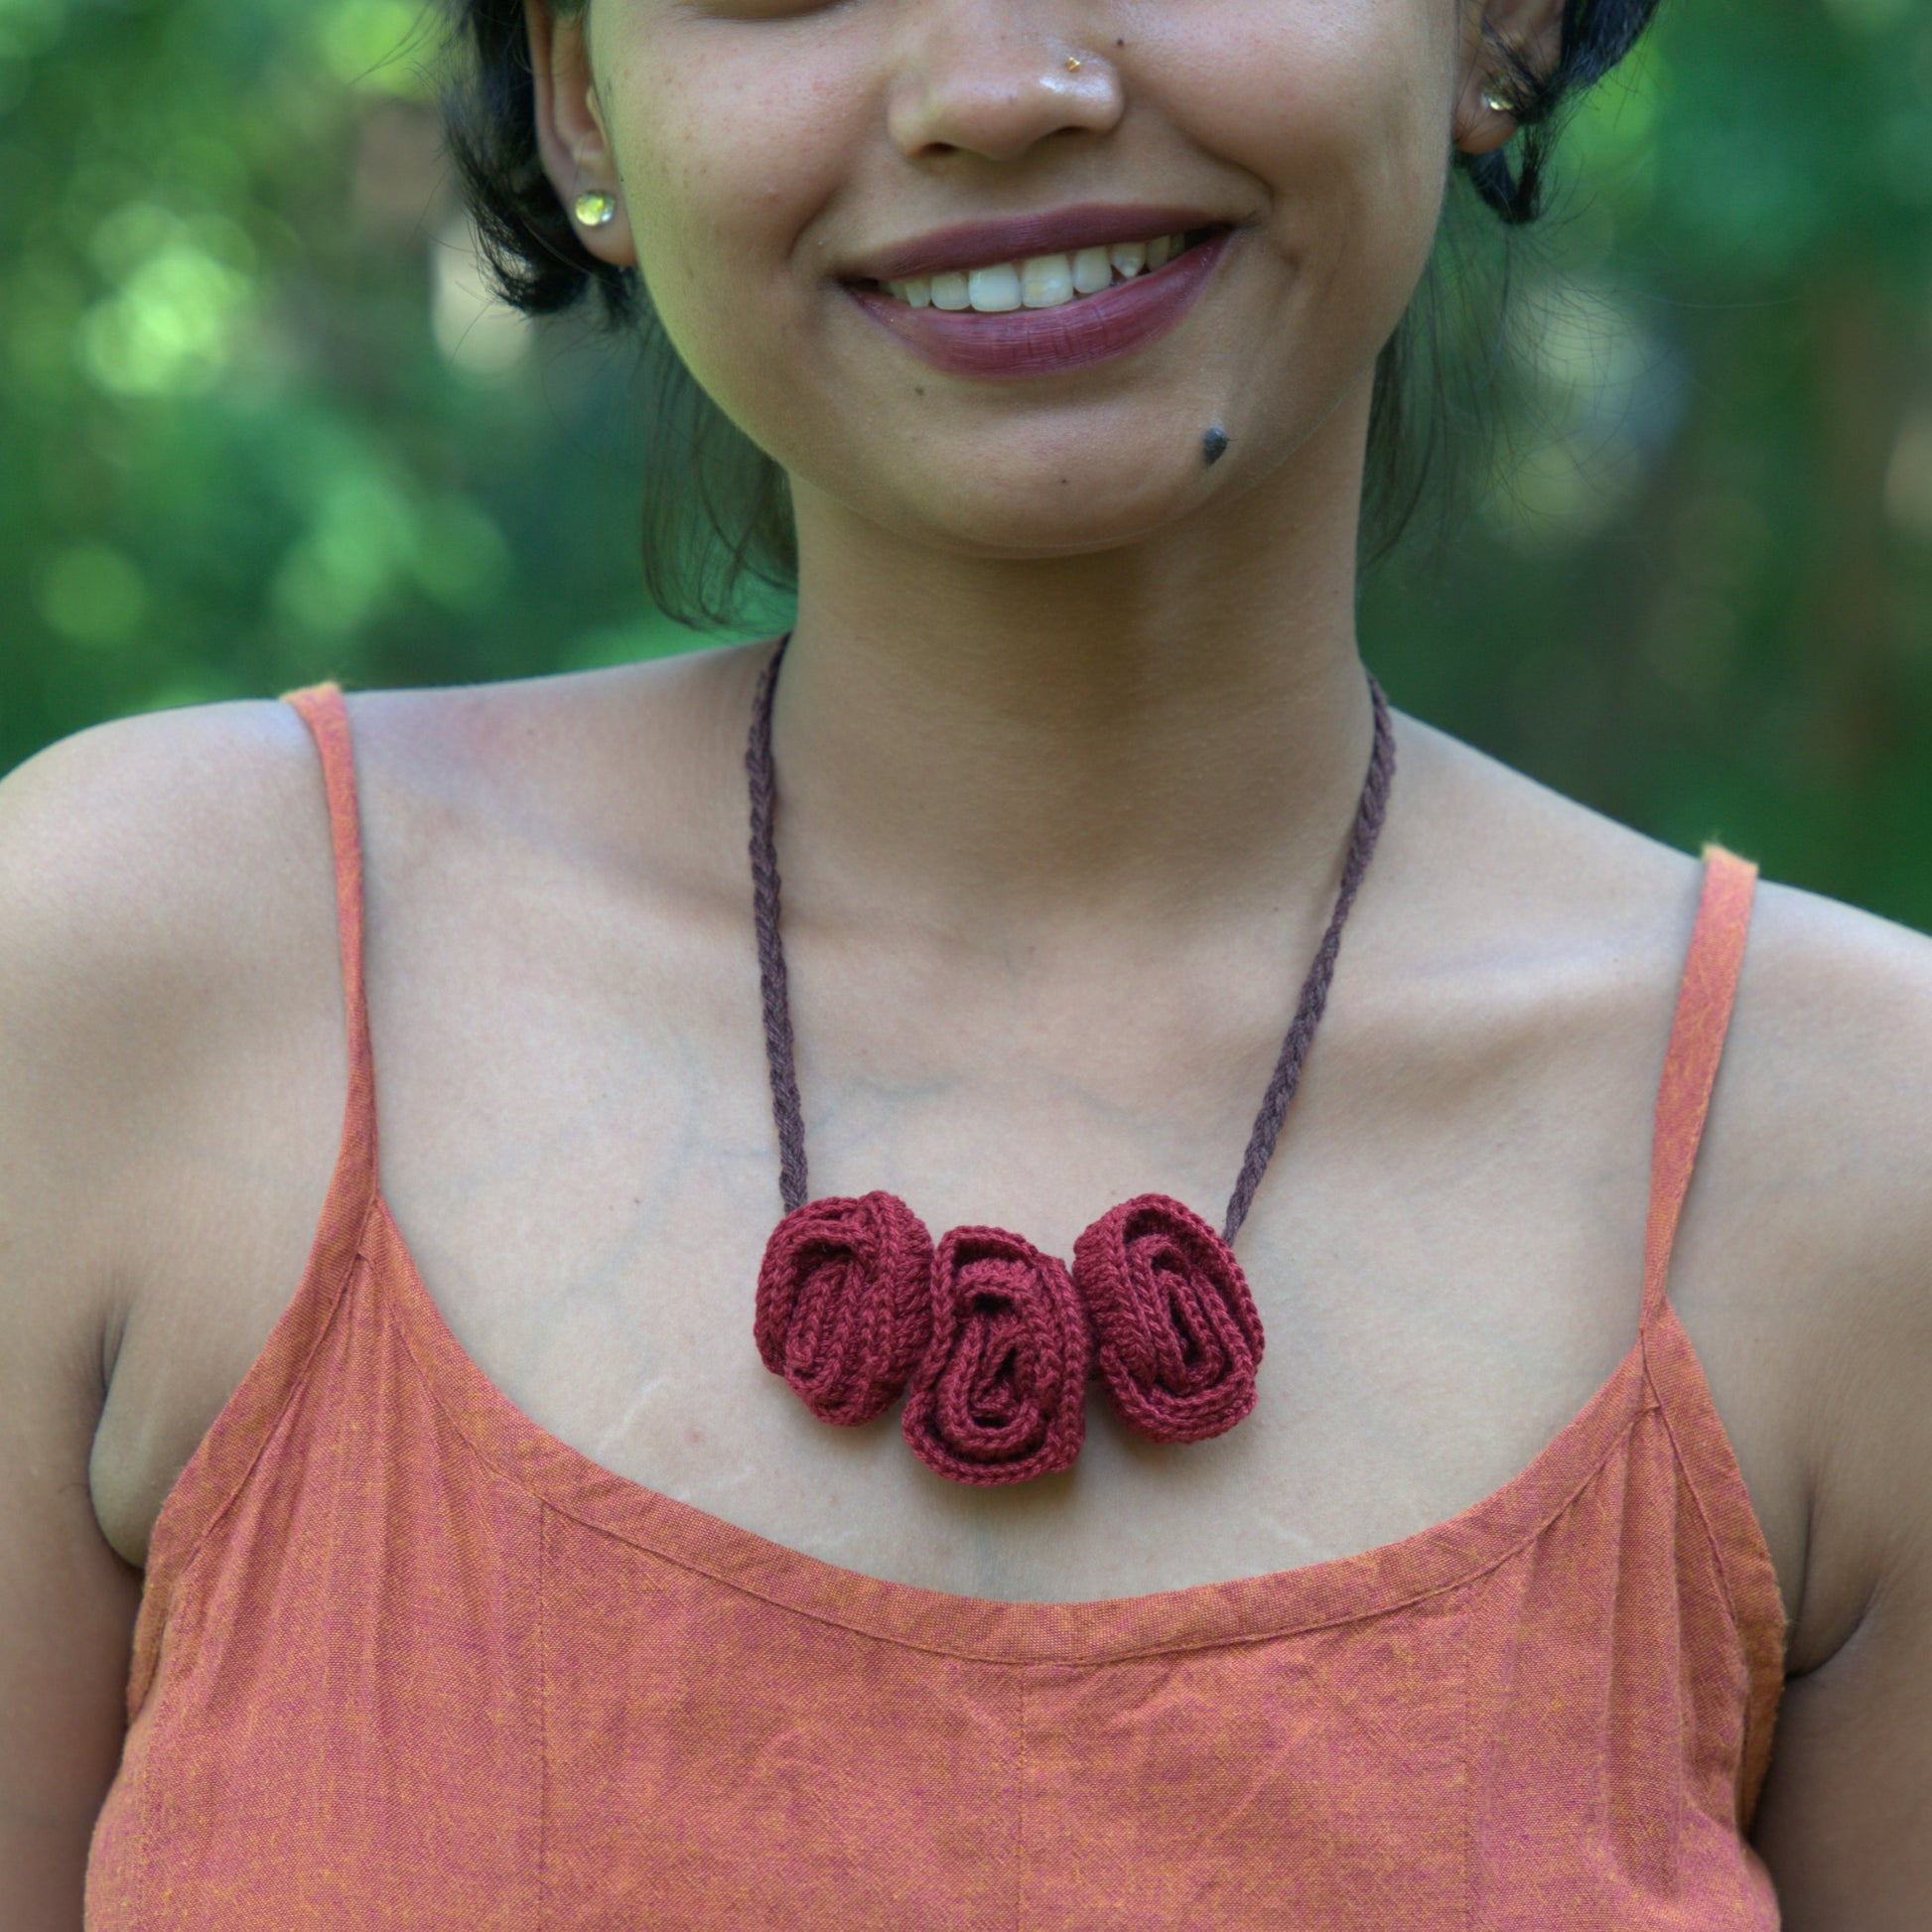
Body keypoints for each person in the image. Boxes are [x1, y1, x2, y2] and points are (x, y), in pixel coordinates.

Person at [3, 0, 1927, 1922]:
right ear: (581, 84)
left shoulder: (1851, 1174)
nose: (1001, 90)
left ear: (1494, 17)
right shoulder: (133, 993)